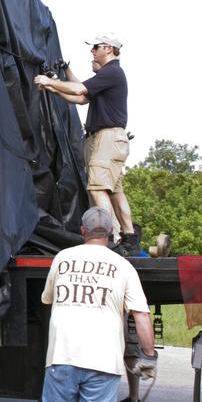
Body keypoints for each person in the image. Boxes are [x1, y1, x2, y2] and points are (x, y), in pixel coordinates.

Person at [22, 206, 156, 402]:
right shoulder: (123, 267)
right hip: (104, 361)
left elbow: (48, 298)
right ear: (111, 234)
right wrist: (149, 357)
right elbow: (141, 316)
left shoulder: (63, 259)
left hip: (63, 355)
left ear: (82, 231)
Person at [33, 34, 138, 255]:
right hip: (110, 139)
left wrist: (49, 81)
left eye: (96, 47)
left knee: (98, 189)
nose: (92, 51)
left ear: (108, 49)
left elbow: (80, 90)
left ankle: (107, 239)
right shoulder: (109, 76)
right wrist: (56, 89)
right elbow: (81, 98)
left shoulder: (112, 72)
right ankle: (129, 239)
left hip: (107, 138)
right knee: (115, 192)